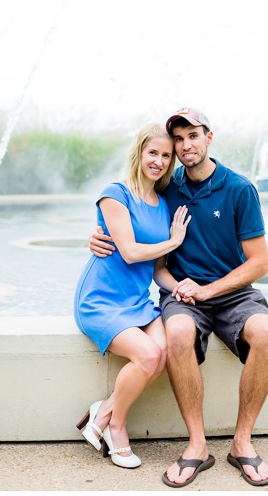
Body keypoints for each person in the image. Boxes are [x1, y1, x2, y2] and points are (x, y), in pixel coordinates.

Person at [88, 107, 268, 488]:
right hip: (181, 293)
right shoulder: (167, 186)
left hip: (233, 293)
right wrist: (94, 235)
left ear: (209, 137)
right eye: (178, 138)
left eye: (193, 135)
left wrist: (208, 289)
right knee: (176, 334)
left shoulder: (240, 189)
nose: (185, 145)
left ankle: (242, 443)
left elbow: (260, 264)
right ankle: (197, 445)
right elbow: (131, 213)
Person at [74, 123, 191, 469]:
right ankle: (117, 428)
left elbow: (156, 270)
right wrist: (173, 241)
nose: (158, 160)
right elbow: (127, 252)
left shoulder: (164, 204)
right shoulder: (115, 193)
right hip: (101, 300)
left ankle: (104, 410)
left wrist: (183, 287)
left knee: (164, 350)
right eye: (152, 152)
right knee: (146, 355)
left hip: (138, 302)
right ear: (140, 153)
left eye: (165, 156)